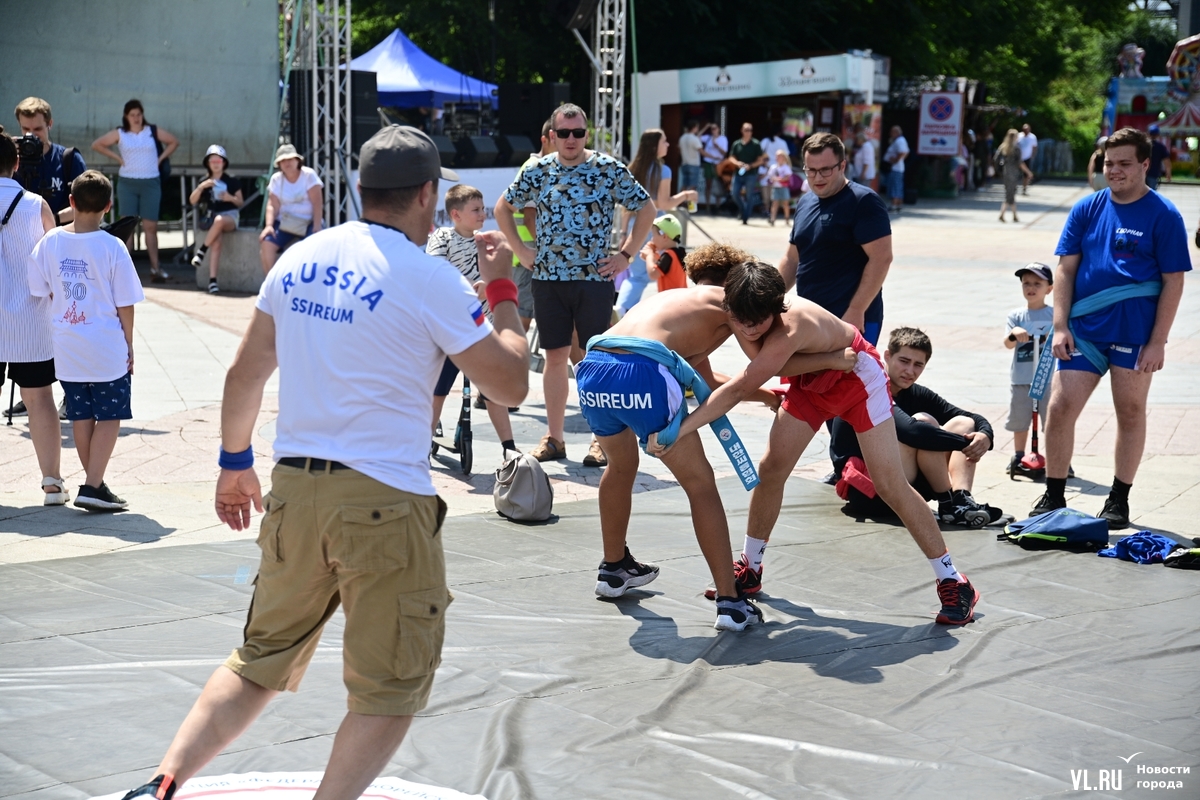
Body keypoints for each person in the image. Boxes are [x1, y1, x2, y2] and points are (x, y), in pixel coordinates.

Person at [114, 125, 529, 800]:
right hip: (385, 505)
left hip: (295, 495)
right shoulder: (430, 278)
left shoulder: (300, 260)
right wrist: (503, 288)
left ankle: (162, 783)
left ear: (360, 188)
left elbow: (245, 373)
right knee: (388, 690)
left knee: (257, 662)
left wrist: (232, 463)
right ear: (427, 194)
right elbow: (509, 384)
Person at [651, 261, 980, 625]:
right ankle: (751, 566)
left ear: (775, 308)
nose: (746, 329)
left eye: (755, 323)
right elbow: (725, 362)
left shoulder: (788, 325)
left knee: (889, 484)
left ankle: (953, 580)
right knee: (771, 470)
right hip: (814, 381)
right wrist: (827, 359)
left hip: (857, 380)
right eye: (739, 320)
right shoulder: (739, 307)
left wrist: (679, 429)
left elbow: (744, 384)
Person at [578, 242, 848, 630]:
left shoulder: (678, 302)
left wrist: (766, 397)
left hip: (594, 367)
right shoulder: (730, 303)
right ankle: (730, 601)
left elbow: (704, 378)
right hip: (643, 370)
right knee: (701, 485)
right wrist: (830, 359)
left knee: (620, 466)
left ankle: (613, 567)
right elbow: (765, 362)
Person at [1034, 127, 1189, 529]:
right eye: (1108, 163)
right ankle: (1053, 493)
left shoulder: (1165, 215)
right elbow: (1065, 269)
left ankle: (1118, 499)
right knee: (1060, 406)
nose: (1114, 171)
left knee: (1131, 411)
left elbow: (1174, 280)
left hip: (1135, 334)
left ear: (1144, 164)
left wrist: (1158, 342)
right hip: (1084, 330)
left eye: (1123, 163)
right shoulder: (1086, 209)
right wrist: (1060, 324)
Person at [495, 103, 655, 465]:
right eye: (563, 133)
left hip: (594, 279)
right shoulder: (537, 169)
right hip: (548, 280)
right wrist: (521, 249)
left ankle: (603, 439)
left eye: (578, 133)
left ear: (587, 133)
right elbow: (502, 207)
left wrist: (626, 256)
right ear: (552, 135)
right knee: (554, 358)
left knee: (595, 360)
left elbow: (647, 210)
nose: (570, 139)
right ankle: (555, 438)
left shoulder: (606, 168)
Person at [28, 170, 144, 511]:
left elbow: (40, 289)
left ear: (71, 202)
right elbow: (125, 302)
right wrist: (130, 343)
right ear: (109, 206)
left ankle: (95, 483)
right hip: (106, 345)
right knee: (110, 415)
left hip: (67, 344)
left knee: (81, 415)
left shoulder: (50, 242)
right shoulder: (113, 246)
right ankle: (93, 485)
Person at [830, 327, 1005, 527]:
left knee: (964, 424)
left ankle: (961, 500)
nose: (910, 371)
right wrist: (965, 444)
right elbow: (912, 432)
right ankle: (948, 503)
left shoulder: (915, 393)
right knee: (923, 425)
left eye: (918, 365)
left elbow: (969, 416)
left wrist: (984, 436)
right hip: (871, 493)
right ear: (887, 356)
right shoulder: (870, 387)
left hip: (908, 485)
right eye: (904, 361)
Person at [428, 184, 520, 458]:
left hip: (483, 329)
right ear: (455, 214)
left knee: (493, 391)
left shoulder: (488, 240)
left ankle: (509, 448)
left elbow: (503, 276)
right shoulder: (442, 238)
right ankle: (422, 444)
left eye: (483, 209)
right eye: (476, 210)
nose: (482, 214)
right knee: (438, 390)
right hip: (449, 328)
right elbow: (434, 272)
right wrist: (468, 285)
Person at [0, 127, 65, 504]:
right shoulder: (37, 204)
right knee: (40, 398)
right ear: (17, 161)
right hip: (32, 319)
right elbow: (51, 266)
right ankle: (52, 483)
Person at [779, 132, 891, 346]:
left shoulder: (863, 201)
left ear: (842, 166)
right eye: (811, 170)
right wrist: (766, 299)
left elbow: (881, 258)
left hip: (850, 320)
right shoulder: (805, 202)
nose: (817, 178)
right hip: (810, 318)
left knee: (848, 380)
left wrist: (856, 310)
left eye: (825, 170)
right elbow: (792, 259)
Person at [90, 99, 178, 282]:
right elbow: (97, 144)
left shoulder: (151, 131)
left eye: (139, 114)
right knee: (127, 226)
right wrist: (117, 158)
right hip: (128, 182)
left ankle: (156, 268)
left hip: (150, 182)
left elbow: (173, 142)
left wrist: (160, 159)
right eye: (132, 115)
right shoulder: (120, 133)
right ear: (126, 116)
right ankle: (123, 272)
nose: (136, 118)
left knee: (150, 227)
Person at [618, 128, 698, 315]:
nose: (668, 145)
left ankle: (621, 310)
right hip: (656, 226)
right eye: (664, 141)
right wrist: (686, 195)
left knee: (636, 276)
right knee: (666, 271)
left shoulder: (633, 168)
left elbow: (626, 208)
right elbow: (664, 202)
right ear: (655, 145)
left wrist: (623, 234)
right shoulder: (663, 170)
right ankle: (671, 313)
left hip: (634, 224)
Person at [1004, 263, 1055, 473]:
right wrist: (1015, 333)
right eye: (1026, 283)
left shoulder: (1055, 314)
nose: (1031, 288)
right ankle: (1018, 456)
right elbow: (1008, 343)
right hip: (1022, 379)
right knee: (1019, 419)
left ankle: (1057, 458)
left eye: (1037, 283)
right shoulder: (1016, 316)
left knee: (1052, 421)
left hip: (1048, 378)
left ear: (1049, 288)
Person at [510, 116, 556, 331]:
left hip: (531, 254)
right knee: (523, 321)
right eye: (558, 138)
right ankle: (513, 362)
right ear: (545, 140)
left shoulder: (543, 166)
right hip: (531, 255)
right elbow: (530, 218)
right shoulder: (536, 167)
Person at [13, 97, 88, 225]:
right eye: (25, 129)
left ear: (49, 124)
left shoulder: (68, 159)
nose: (31, 135)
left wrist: (52, 219)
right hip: (18, 235)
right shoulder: (10, 160)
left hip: (58, 236)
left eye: (37, 129)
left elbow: (86, 204)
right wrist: (6, 153)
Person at [188, 145, 244, 294]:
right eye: (212, 160)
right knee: (217, 242)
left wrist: (229, 197)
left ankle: (201, 251)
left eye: (218, 160)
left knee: (220, 220)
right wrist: (201, 187)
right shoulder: (205, 181)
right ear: (208, 162)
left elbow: (240, 202)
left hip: (230, 217)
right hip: (212, 219)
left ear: (224, 162)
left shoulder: (231, 181)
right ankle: (213, 281)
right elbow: (192, 201)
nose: (215, 163)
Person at [260, 144, 323, 273]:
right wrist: (269, 225)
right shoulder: (276, 179)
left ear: (297, 160)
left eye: (289, 159)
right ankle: (272, 285)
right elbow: (272, 205)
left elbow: (317, 203)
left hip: (308, 222)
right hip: (285, 223)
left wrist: (317, 226)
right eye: (283, 160)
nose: (286, 163)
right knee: (267, 244)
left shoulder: (308, 175)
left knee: (314, 248)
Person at [728, 122, 766, 224]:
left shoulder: (756, 144)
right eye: (746, 130)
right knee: (734, 193)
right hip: (738, 172)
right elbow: (731, 157)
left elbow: (760, 160)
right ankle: (743, 209)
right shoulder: (737, 144)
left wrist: (751, 166)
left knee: (749, 196)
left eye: (750, 130)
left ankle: (745, 217)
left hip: (751, 173)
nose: (748, 132)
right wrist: (737, 163)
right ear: (742, 131)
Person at [640, 214, 687, 293]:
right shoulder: (680, 252)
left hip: (670, 300)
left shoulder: (668, 255)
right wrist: (653, 257)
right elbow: (666, 270)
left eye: (653, 235)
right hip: (681, 298)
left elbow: (653, 274)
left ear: (664, 236)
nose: (652, 239)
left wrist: (649, 256)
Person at [757, 127, 790, 211]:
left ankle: (767, 210)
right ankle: (773, 211)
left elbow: (759, 154)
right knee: (774, 193)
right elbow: (787, 155)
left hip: (766, 169)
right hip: (777, 170)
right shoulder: (782, 142)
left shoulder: (765, 141)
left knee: (765, 192)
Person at [995, 129, 1023, 223]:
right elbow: (1020, 162)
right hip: (1013, 173)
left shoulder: (1003, 147)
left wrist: (998, 170)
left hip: (1005, 172)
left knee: (1010, 193)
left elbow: (996, 159)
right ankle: (1003, 214)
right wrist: (1027, 172)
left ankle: (1014, 215)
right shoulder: (1016, 149)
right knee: (1010, 194)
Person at [699, 122, 728, 213]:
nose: (713, 130)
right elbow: (697, 137)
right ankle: (707, 206)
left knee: (718, 185)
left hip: (718, 163)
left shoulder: (723, 139)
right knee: (708, 185)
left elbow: (724, 153)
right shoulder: (708, 138)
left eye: (715, 128)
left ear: (719, 129)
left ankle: (717, 206)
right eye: (712, 129)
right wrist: (705, 127)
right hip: (708, 163)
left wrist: (717, 146)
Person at [883, 125, 910, 213]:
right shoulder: (900, 140)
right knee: (898, 186)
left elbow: (903, 152)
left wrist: (896, 160)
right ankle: (898, 205)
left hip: (896, 168)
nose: (890, 134)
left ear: (896, 133)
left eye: (891, 132)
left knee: (895, 186)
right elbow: (906, 152)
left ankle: (894, 205)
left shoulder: (899, 140)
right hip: (897, 167)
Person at [766, 149, 793, 226]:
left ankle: (787, 219)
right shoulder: (773, 167)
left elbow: (787, 177)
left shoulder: (786, 167)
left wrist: (778, 179)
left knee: (785, 204)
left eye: (779, 156)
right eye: (777, 156)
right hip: (775, 187)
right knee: (775, 203)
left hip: (784, 187)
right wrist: (774, 179)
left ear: (783, 157)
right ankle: (772, 219)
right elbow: (770, 177)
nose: (777, 157)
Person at [677, 120, 704, 198]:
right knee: (693, 187)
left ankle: (679, 204)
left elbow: (679, 150)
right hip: (694, 164)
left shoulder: (682, 138)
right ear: (694, 128)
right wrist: (714, 157)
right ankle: (691, 207)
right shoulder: (694, 139)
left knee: (684, 185)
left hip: (684, 164)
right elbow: (702, 151)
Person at [1146, 125, 1172, 191]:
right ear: (1158, 135)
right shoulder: (1160, 147)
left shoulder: (1142, 146)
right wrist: (1168, 174)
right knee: (1152, 194)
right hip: (1154, 174)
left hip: (1141, 174)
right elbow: (1167, 161)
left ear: (1148, 134)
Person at [1017, 123, 1037, 194]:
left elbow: (1034, 147)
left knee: (1026, 174)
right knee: (1017, 173)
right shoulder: (1019, 136)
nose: (1026, 130)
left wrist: (1033, 155)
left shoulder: (1032, 137)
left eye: (1027, 129)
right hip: (1018, 158)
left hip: (1027, 157)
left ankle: (1024, 188)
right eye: (1024, 129)